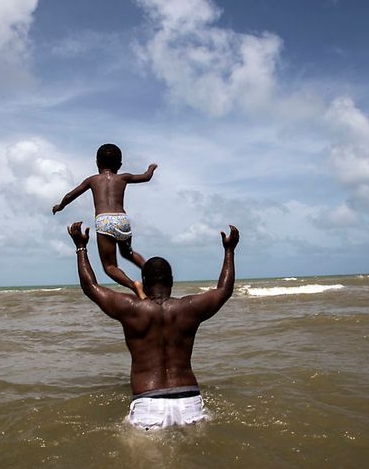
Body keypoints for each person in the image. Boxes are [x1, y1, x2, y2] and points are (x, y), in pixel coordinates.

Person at [67, 221, 239, 430]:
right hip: (189, 400)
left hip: (148, 404)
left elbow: (91, 287)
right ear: (172, 280)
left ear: (144, 280)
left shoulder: (131, 308)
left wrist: (80, 247)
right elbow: (224, 290)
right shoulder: (189, 308)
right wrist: (229, 251)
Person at [53, 143, 157, 299]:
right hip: (122, 219)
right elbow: (146, 177)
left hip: (104, 220)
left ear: (97, 162)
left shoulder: (92, 180)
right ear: (119, 165)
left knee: (110, 267)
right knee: (128, 253)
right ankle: (152, 274)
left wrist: (60, 206)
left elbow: (69, 196)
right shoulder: (124, 177)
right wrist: (151, 168)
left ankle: (134, 286)